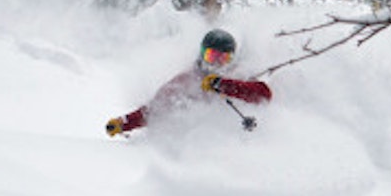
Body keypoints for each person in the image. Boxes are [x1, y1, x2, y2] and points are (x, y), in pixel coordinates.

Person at [105, 29, 271, 136]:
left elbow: (264, 94)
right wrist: (123, 123)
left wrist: (223, 85)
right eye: (212, 56)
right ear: (202, 54)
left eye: (224, 58)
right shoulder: (186, 81)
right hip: (198, 144)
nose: (216, 63)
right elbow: (154, 111)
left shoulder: (238, 76)